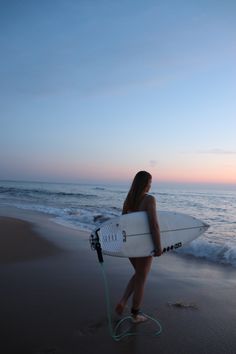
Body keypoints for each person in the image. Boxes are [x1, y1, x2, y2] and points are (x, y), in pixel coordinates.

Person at [115, 171, 162, 323]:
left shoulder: (128, 200)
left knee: (138, 275)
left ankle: (123, 301)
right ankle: (135, 315)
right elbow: (154, 225)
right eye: (149, 182)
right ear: (145, 183)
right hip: (143, 245)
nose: (151, 185)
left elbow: (123, 223)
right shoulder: (149, 199)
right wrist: (158, 246)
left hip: (129, 244)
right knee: (142, 278)